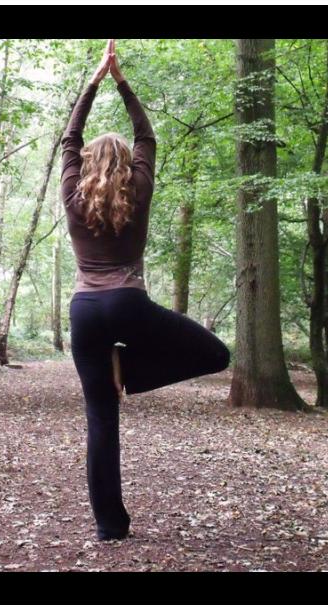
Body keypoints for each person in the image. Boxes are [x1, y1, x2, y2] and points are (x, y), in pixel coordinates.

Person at [61, 39, 231, 541]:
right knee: (215, 354)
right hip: (129, 304)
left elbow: (69, 137)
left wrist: (93, 82)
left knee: (100, 421)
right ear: (127, 164)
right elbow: (147, 135)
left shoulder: (72, 193)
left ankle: (110, 527)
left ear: (87, 163)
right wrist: (121, 81)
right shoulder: (138, 189)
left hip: (85, 310)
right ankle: (130, 369)